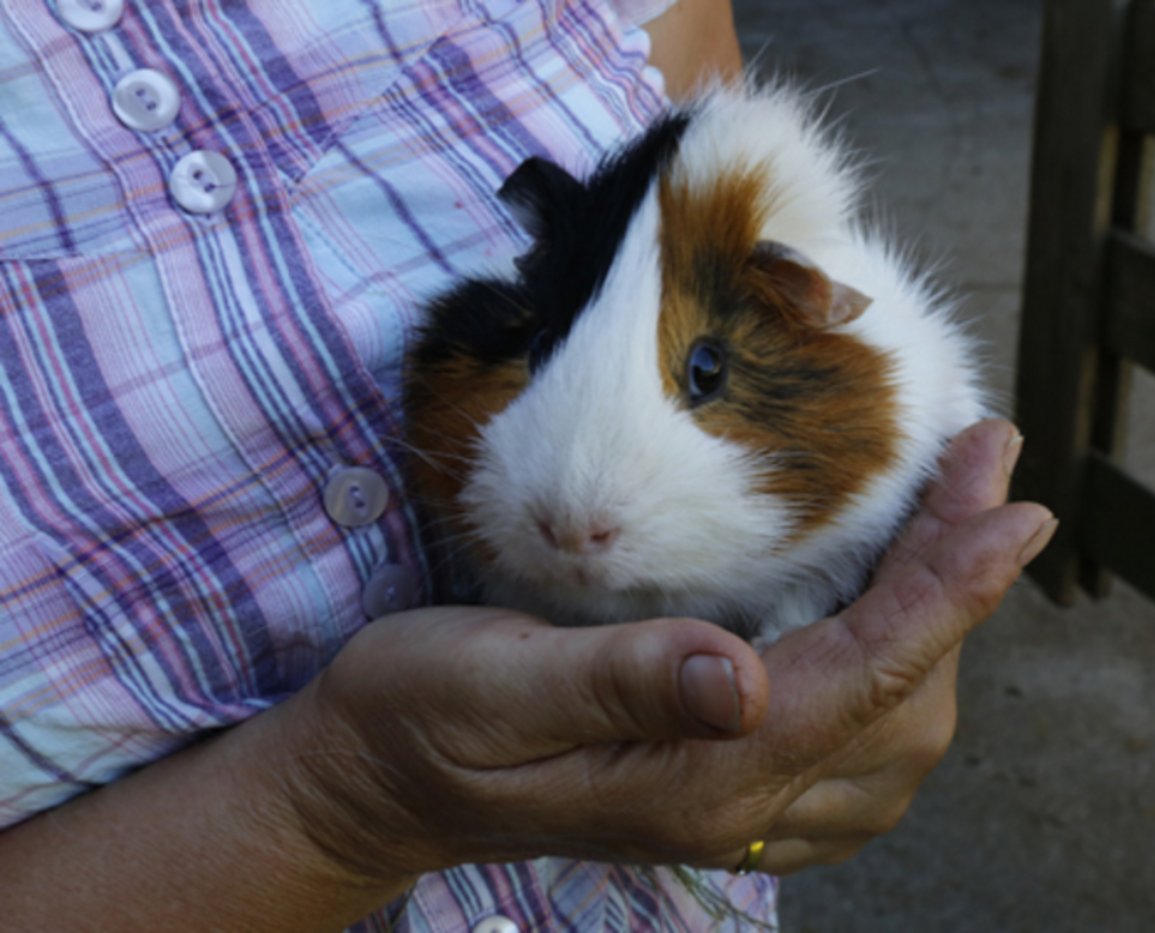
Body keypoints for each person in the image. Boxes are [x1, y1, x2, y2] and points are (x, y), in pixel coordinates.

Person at [0, 0, 1055, 928]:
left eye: (698, 374)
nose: (580, 515)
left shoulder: (845, 337)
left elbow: (698, 96)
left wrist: (834, 711)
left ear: (812, 307)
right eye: (548, 349)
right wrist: (335, 813)